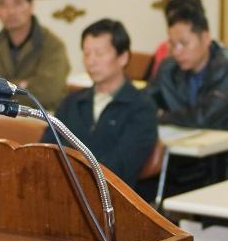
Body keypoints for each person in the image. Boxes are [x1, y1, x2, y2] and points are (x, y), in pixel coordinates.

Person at [148, 0, 228, 180]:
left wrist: (162, 116)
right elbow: (145, 103)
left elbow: (203, 117)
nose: (177, 51)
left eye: (184, 43)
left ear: (206, 38)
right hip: (186, 158)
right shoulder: (169, 68)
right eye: (173, 44)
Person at [43, 18, 158, 189]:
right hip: (62, 191)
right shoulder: (71, 102)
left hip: (111, 201)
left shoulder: (141, 107)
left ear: (123, 57)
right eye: (87, 53)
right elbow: (45, 151)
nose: (91, 61)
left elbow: (121, 168)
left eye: (99, 53)